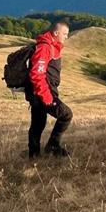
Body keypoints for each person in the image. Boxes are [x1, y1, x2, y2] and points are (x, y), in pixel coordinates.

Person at [25, 21, 73, 158]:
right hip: (42, 93)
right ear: (56, 33)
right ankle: (52, 146)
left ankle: (33, 155)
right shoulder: (45, 47)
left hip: (38, 93)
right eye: (64, 34)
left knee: (38, 123)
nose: (66, 37)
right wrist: (47, 97)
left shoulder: (51, 46)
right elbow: (37, 74)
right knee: (66, 115)